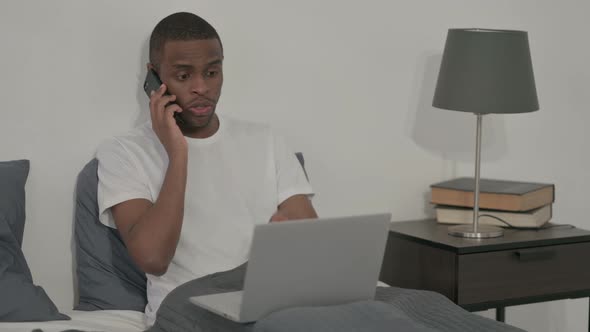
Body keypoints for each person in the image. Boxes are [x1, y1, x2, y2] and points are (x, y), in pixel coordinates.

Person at [96, 12, 317, 326]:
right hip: (186, 313)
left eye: (212, 72)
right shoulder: (123, 153)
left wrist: (287, 239)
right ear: (154, 76)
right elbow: (153, 258)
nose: (202, 87)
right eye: (184, 76)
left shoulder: (265, 139)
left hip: (269, 306)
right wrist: (178, 154)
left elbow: (310, 243)